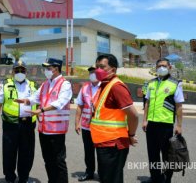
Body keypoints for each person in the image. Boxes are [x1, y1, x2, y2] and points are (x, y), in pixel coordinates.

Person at [16, 58, 72, 183]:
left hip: (57, 130)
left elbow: (60, 103)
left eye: (48, 68)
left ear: (56, 69)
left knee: (59, 161)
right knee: (48, 160)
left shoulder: (65, 84)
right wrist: (26, 100)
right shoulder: (45, 84)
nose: (46, 70)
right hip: (43, 129)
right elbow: (35, 97)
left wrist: (41, 110)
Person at [90, 54, 139, 183]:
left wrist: (131, 134)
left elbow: (133, 115)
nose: (98, 70)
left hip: (113, 144)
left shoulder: (116, 87)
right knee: (106, 178)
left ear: (113, 69)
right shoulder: (104, 85)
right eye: (97, 67)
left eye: (102, 67)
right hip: (104, 143)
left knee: (111, 179)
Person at [0, 60, 37, 183]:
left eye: (22, 70)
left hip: (28, 124)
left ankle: (23, 178)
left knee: (26, 153)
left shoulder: (33, 85)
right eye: (17, 70)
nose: (20, 72)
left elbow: (39, 104)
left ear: (26, 71)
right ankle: (10, 178)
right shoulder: (5, 84)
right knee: (9, 153)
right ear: (13, 71)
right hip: (10, 124)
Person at [142, 58, 184, 183]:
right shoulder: (151, 83)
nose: (161, 68)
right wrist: (144, 120)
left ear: (170, 67)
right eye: (159, 66)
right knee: (152, 153)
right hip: (152, 124)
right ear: (156, 68)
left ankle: (166, 179)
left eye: (164, 66)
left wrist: (179, 125)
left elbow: (179, 106)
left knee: (167, 154)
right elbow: (147, 103)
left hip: (166, 125)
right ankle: (155, 177)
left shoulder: (175, 83)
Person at [74, 65, 101, 181]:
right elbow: (80, 106)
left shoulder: (105, 87)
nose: (92, 74)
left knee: (101, 152)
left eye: (94, 72)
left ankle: (102, 174)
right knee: (88, 151)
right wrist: (77, 123)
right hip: (86, 126)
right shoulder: (85, 87)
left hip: (100, 127)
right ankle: (89, 172)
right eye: (90, 72)